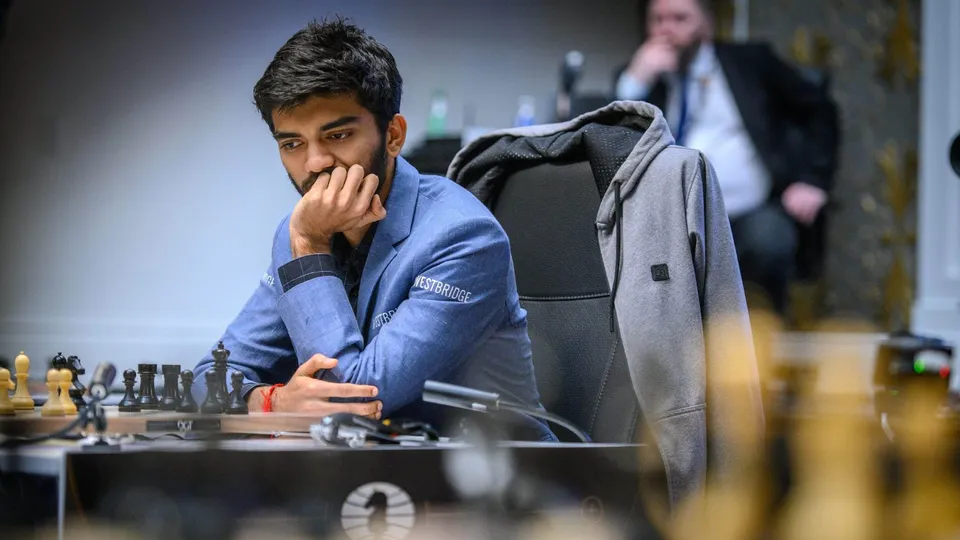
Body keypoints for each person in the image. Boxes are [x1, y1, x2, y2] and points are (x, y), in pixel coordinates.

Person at [192, 18, 554, 441]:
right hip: (373, 474)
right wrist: (271, 403)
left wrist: (309, 246)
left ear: (394, 136)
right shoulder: (301, 231)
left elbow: (353, 399)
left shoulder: (464, 237)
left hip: (495, 485)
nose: (314, 163)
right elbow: (209, 379)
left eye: (338, 134)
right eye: (292, 144)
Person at [615, 0, 839, 314]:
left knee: (769, 241)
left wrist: (813, 181)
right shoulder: (644, 80)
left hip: (750, 211)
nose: (666, 29)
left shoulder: (750, 62)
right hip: (671, 218)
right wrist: (635, 80)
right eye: (658, 19)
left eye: (680, 18)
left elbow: (820, 110)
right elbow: (613, 140)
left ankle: (757, 350)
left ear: (706, 22)